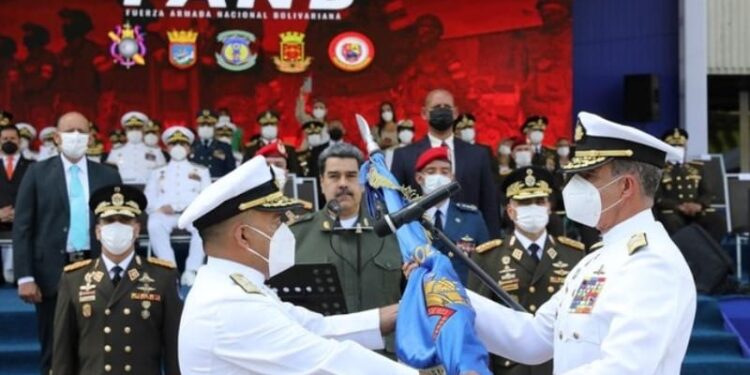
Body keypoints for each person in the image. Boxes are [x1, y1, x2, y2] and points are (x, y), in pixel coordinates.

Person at [458, 112, 696, 374]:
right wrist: (450, 293)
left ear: (626, 187)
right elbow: (534, 337)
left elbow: (625, 368)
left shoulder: (652, 264)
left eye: (589, 176)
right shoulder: (597, 259)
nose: (573, 186)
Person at [176, 155, 419, 374]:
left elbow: (317, 327)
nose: (285, 229)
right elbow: (327, 363)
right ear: (243, 236)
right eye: (276, 222)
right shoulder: (228, 305)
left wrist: (400, 312)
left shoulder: (237, 288)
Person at [13, 112, 121, 375]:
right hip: (51, 273)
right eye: (69, 131)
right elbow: (23, 227)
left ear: (90, 136)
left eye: (81, 131)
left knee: (98, 345)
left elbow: (119, 224)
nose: (76, 136)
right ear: (57, 137)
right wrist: (24, 276)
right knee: (54, 348)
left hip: (97, 268)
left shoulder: (108, 175)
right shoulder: (37, 173)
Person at [52, 184, 182, 375]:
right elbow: (63, 351)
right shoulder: (74, 279)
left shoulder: (162, 277)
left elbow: (174, 349)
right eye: (109, 220)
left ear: (137, 229)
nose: (117, 226)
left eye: (125, 220)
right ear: (98, 231)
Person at [468, 166, 585, 375]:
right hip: (510, 368)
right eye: (523, 202)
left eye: (539, 201)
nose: (533, 207)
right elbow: (476, 321)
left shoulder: (573, 255)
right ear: (510, 210)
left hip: (559, 365)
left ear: (549, 206)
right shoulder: (488, 257)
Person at [290, 143, 402, 314]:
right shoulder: (296, 236)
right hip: (321, 340)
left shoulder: (392, 233)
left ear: (363, 181)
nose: (343, 184)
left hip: (381, 340)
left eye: (351, 176)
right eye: (334, 176)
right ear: (321, 182)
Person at [391, 89, 501, 237]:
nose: (442, 111)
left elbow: (490, 205)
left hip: (468, 243)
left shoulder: (478, 155)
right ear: (424, 113)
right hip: (420, 241)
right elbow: (394, 203)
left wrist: (492, 247)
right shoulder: (403, 156)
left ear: (455, 113)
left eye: (447, 107)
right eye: (436, 107)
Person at [413, 146, 490, 284]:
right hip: (422, 296)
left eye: (445, 172)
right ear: (419, 178)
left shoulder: (472, 218)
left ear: (452, 178)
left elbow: (486, 265)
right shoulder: (409, 219)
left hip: (464, 297)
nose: (439, 176)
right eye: (431, 171)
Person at [145, 126, 211, 287]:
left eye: (183, 144)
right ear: (167, 148)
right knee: (154, 223)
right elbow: (148, 198)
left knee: (204, 226)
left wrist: (194, 209)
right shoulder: (157, 172)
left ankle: (191, 270)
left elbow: (208, 196)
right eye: (174, 144)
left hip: (191, 214)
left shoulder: (201, 171)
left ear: (189, 148)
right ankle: (170, 270)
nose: (178, 148)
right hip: (165, 214)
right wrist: (159, 208)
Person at [655, 128, 726, 243]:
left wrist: (699, 205)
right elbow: (656, 197)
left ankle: (709, 254)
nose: (678, 150)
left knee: (717, 221)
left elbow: (707, 192)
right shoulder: (659, 169)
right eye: (674, 147)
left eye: (681, 147)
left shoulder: (696, 168)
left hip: (696, 210)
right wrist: (679, 206)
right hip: (673, 210)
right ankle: (683, 256)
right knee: (672, 222)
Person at [1, 124, 34, 283]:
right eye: (5, 138)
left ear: (20, 141)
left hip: (25, 225)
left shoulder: (33, 166)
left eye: (12, 138)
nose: (9, 141)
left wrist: (19, 212)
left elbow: (38, 196)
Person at [107, 111, 166, 184]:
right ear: (125, 130)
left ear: (144, 129)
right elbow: (109, 175)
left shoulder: (155, 151)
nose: (134, 131)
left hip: (148, 190)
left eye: (138, 128)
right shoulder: (116, 152)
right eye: (131, 128)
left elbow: (163, 174)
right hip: (124, 189)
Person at [190, 109, 236, 178]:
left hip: (217, 185)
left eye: (209, 125)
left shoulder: (224, 146)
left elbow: (231, 170)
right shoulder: (191, 146)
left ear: (215, 127)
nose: (206, 127)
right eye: (202, 125)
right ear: (197, 127)